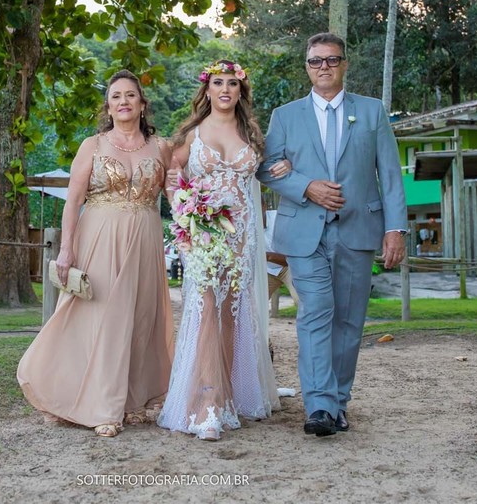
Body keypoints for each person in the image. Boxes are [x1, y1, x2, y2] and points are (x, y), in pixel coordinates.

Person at [257, 33, 407, 437]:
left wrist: (396, 228)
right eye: (315, 61)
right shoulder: (285, 116)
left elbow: (389, 175)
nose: (323, 67)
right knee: (317, 310)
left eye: (332, 60)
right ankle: (319, 405)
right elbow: (268, 166)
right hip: (304, 231)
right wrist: (306, 186)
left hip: (359, 228)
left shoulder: (372, 112)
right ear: (306, 66)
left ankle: (339, 402)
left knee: (349, 320)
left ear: (344, 65)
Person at [17, 70, 175, 438]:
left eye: (130, 95)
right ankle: (97, 404)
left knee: (140, 318)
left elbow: (177, 194)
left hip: (147, 236)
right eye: (116, 95)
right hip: (100, 236)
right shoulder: (93, 145)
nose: (123, 101)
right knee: (101, 317)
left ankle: (132, 400)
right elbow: (72, 202)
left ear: (142, 103)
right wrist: (67, 250)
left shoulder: (162, 147)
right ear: (108, 105)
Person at [157, 60, 282, 441]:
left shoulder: (251, 134)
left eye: (232, 83)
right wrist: (186, 213)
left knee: (232, 312)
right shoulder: (192, 134)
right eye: (217, 83)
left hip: (242, 237)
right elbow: (171, 177)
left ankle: (231, 394)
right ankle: (206, 405)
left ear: (240, 91)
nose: (225, 89)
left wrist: (283, 166)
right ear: (207, 90)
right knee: (207, 311)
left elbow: (264, 172)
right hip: (204, 236)